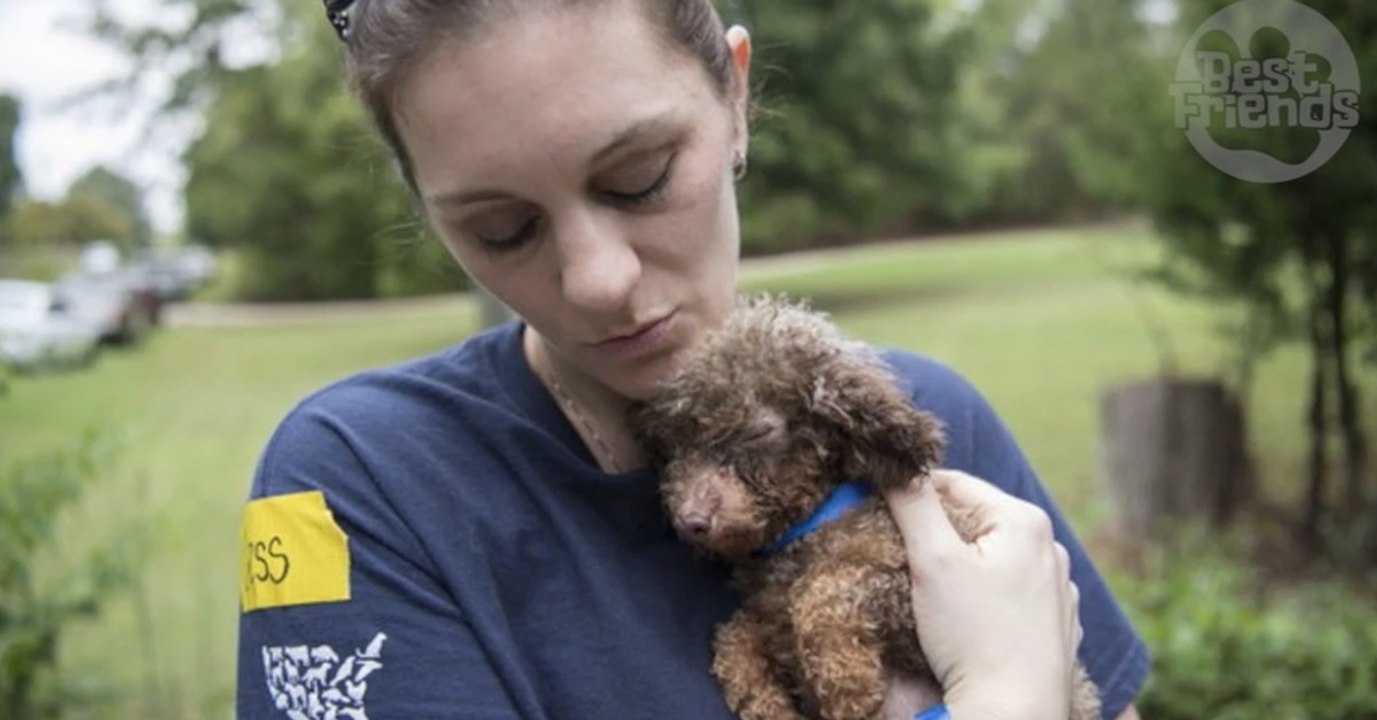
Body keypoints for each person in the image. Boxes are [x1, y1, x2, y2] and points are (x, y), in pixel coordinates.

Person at [236, 1, 1150, 718]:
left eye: (639, 178)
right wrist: (1004, 697)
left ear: (735, 99)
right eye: (502, 228)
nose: (598, 280)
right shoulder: (356, 484)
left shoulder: (920, 419)